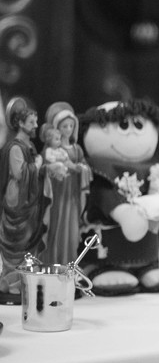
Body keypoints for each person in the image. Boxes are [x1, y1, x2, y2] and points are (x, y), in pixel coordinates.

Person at [0, 97, 50, 302]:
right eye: (32, 122)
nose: (36, 125)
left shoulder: (27, 144)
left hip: (29, 199)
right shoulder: (15, 147)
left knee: (28, 240)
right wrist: (38, 164)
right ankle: (12, 281)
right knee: (17, 240)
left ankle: (23, 279)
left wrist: (46, 168)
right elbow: (20, 174)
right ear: (20, 124)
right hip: (17, 201)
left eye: (36, 121)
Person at [42, 102, 94, 268]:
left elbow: (85, 167)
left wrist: (82, 169)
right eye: (65, 126)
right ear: (57, 128)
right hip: (57, 194)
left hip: (73, 193)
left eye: (71, 125)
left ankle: (70, 262)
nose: (69, 129)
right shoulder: (50, 150)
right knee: (56, 227)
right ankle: (55, 262)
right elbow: (44, 170)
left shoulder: (77, 149)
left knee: (71, 230)